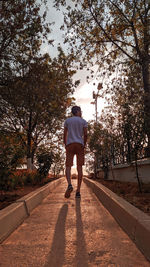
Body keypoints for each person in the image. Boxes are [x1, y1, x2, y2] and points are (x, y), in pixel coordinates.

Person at [63, 105, 88, 198]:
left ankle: (69, 184)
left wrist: (66, 144)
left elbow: (64, 134)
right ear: (77, 111)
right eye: (80, 111)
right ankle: (78, 191)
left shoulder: (67, 121)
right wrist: (84, 144)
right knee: (79, 167)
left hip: (70, 144)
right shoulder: (83, 121)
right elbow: (85, 134)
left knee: (68, 166)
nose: (81, 113)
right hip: (79, 144)